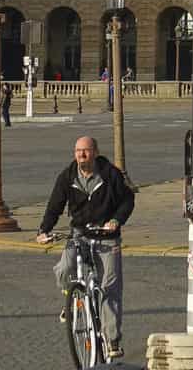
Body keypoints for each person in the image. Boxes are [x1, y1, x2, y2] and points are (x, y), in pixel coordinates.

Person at [38, 135, 134, 360]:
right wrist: (44, 229)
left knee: (110, 288)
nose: (81, 155)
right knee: (64, 267)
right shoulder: (67, 177)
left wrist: (116, 221)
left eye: (86, 151)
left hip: (106, 237)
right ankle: (71, 299)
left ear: (95, 153)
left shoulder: (111, 175)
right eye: (78, 151)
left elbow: (127, 201)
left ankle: (112, 340)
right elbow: (55, 205)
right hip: (79, 234)